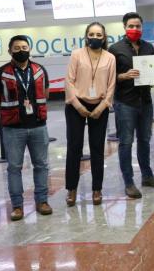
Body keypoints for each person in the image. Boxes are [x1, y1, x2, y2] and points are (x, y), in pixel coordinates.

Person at [0, 35, 52, 221]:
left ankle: (42, 201)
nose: (21, 51)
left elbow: (45, 94)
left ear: (29, 49)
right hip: (13, 129)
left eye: (24, 47)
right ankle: (17, 206)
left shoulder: (40, 70)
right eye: (16, 48)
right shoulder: (0, 73)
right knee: (14, 168)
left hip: (38, 126)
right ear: (9, 51)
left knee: (41, 165)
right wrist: (10, 114)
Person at [109, 12, 154, 199]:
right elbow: (108, 77)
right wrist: (123, 76)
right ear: (124, 27)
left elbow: (153, 70)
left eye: (138, 26)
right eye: (131, 26)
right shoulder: (114, 49)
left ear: (142, 27)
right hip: (125, 102)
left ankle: (147, 176)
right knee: (126, 142)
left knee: (145, 140)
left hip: (145, 101)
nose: (135, 29)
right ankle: (129, 182)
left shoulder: (148, 47)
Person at [64, 22, 116, 206]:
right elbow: (69, 81)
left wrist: (102, 107)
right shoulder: (76, 54)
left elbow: (111, 85)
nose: (95, 38)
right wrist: (78, 106)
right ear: (86, 36)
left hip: (100, 105)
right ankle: (71, 189)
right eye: (91, 34)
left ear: (104, 37)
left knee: (97, 148)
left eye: (98, 35)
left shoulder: (110, 58)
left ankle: (97, 189)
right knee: (74, 147)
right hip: (76, 105)